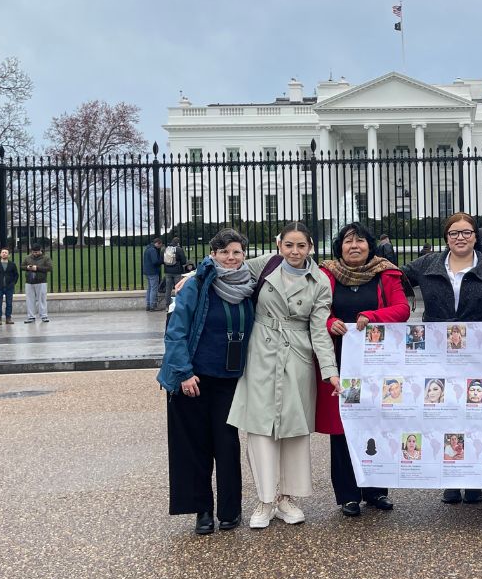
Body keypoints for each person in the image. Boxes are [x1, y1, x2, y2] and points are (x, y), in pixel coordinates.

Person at [227, 222, 341, 529]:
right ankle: (265, 499)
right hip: (261, 351)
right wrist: (194, 275)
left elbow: (319, 329)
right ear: (280, 246)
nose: (294, 251)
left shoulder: (319, 280)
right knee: (260, 427)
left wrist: (329, 370)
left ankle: (287, 497)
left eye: (300, 246)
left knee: (293, 428)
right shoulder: (265, 264)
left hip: (297, 354)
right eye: (289, 245)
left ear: (310, 248)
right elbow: (227, 268)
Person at [402, 212, 482, 507]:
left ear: (476, 236)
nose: (460, 238)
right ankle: (451, 479)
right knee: (446, 417)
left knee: (475, 416)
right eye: (454, 233)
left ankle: (474, 480)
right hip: (438, 356)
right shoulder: (427, 265)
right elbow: (393, 280)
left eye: (466, 232)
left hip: (478, 357)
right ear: (446, 237)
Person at [157, 228, 257, 535]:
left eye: (237, 252)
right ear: (212, 254)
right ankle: (201, 510)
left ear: (244, 256)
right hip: (193, 378)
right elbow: (175, 331)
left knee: (227, 445)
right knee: (195, 447)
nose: (230, 257)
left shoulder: (250, 286)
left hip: (228, 378)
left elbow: (285, 255)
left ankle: (230, 510)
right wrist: (184, 372)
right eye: (224, 251)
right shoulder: (196, 285)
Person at [316, 222, 410, 517]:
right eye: (347, 241)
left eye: (360, 241)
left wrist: (371, 316)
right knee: (342, 427)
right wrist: (332, 323)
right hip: (341, 361)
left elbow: (402, 309)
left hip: (377, 364)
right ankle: (347, 494)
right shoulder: (326, 275)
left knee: (377, 423)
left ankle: (376, 491)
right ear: (339, 247)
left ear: (370, 246)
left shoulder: (386, 273)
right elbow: (320, 312)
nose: (354, 246)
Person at [22, 243, 52, 324]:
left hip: (41, 281)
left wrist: (37, 268)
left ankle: (44, 315)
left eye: (37, 252)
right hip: (29, 281)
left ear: (40, 251)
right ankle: (31, 316)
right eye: (34, 252)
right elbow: (21, 266)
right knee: (30, 299)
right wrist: (27, 267)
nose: (35, 254)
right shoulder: (27, 258)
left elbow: (49, 268)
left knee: (42, 299)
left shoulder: (46, 258)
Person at [0, 248, 18, 325]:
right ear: (0, 254)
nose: (4, 253)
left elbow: (16, 275)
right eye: (3, 252)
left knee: (9, 303)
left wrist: (13, 283)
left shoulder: (12, 264)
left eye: (6, 252)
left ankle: (8, 318)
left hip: (9, 287)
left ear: (9, 255)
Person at [143, 237, 165, 311]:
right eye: (160, 245)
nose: (160, 247)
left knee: (149, 288)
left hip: (147, 271)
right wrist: (161, 261)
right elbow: (155, 261)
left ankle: (148, 305)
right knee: (153, 289)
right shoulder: (153, 250)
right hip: (153, 272)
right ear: (158, 243)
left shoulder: (147, 249)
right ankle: (153, 306)